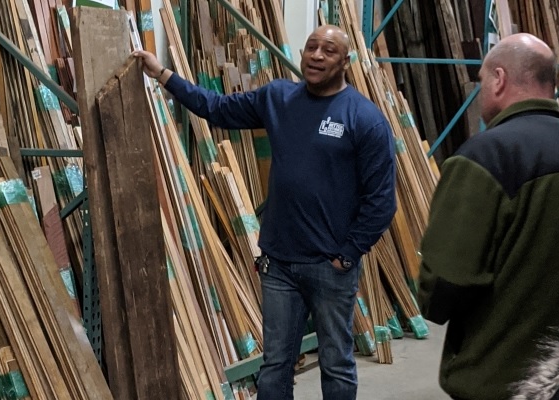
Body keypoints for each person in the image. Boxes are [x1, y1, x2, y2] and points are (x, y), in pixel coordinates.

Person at [134, 25, 397, 400]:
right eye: (312, 47)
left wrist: (348, 254)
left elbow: (382, 200)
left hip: (329, 266)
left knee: (336, 363)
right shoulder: (279, 98)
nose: (317, 56)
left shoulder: (364, 119)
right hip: (279, 263)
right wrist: (163, 74)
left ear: (346, 62)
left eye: (329, 50)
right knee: (275, 364)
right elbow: (217, 109)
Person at [417, 33, 559, 400]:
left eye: (481, 80)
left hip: (503, 377)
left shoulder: (484, 158)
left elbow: (444, 283)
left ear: (499, 79)